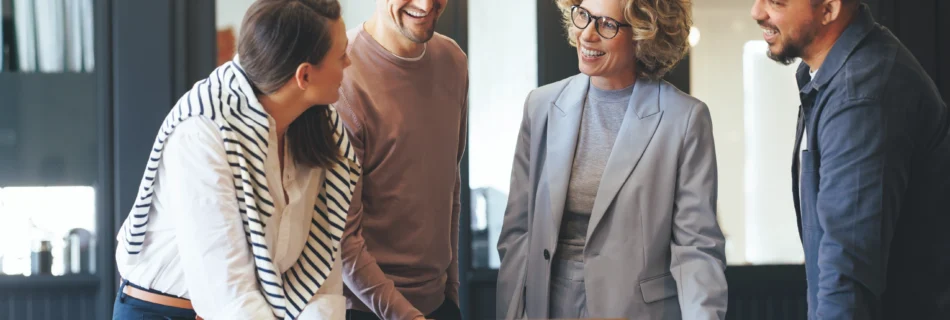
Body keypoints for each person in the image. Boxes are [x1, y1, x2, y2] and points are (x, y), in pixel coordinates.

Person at [112, 0, 360, 319]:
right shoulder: (202, 131)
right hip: (165, 311)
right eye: (341, 55)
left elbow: (321, 268)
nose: (349, 62)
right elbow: (227, 292)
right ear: (305, 75)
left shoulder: (318, 126)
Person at [495, 0, 728, 319]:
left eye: (606, 24)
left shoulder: (684, 118)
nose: (587, 35)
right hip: (548, 307)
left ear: (645, 35)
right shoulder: (541, 106)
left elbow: (697, 249)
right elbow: (517, 234)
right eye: (583, 16)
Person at [751, 0, 950, 318]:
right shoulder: (832, 76)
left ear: (828, 8)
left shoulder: (861, 94)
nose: (757, 12)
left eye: (777, 2)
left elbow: (847, 278)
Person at [333, 0, 468, 320]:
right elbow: (342, 238)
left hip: (439, 303)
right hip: (364, 310)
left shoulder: (453, 60)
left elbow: (450, 185)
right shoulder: (341, 73)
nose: (425, 4)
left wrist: (452, 292)